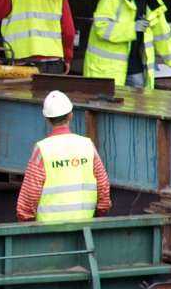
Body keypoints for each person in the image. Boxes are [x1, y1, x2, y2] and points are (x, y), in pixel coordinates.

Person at [16, 91, 111, 223]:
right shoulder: (87, 145)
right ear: (71, 115)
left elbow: (30, 194)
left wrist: (26, 220)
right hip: (85, 226)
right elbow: (103, 185)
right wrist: (101, 212)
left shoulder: (42, 149)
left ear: (47, 119)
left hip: (48, 230)